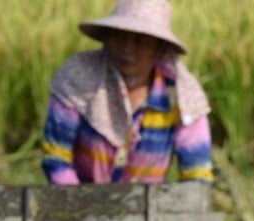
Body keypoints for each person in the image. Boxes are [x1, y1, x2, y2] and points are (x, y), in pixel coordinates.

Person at [41, 0, 214, 185]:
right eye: (120, 36)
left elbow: (197, 173)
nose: (127, 48)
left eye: (140, 40)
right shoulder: (79, 78)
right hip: (77, 201)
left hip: (150, 206)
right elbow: (56, 156)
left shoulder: (180, 94)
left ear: (159, 47)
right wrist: (80, 205)